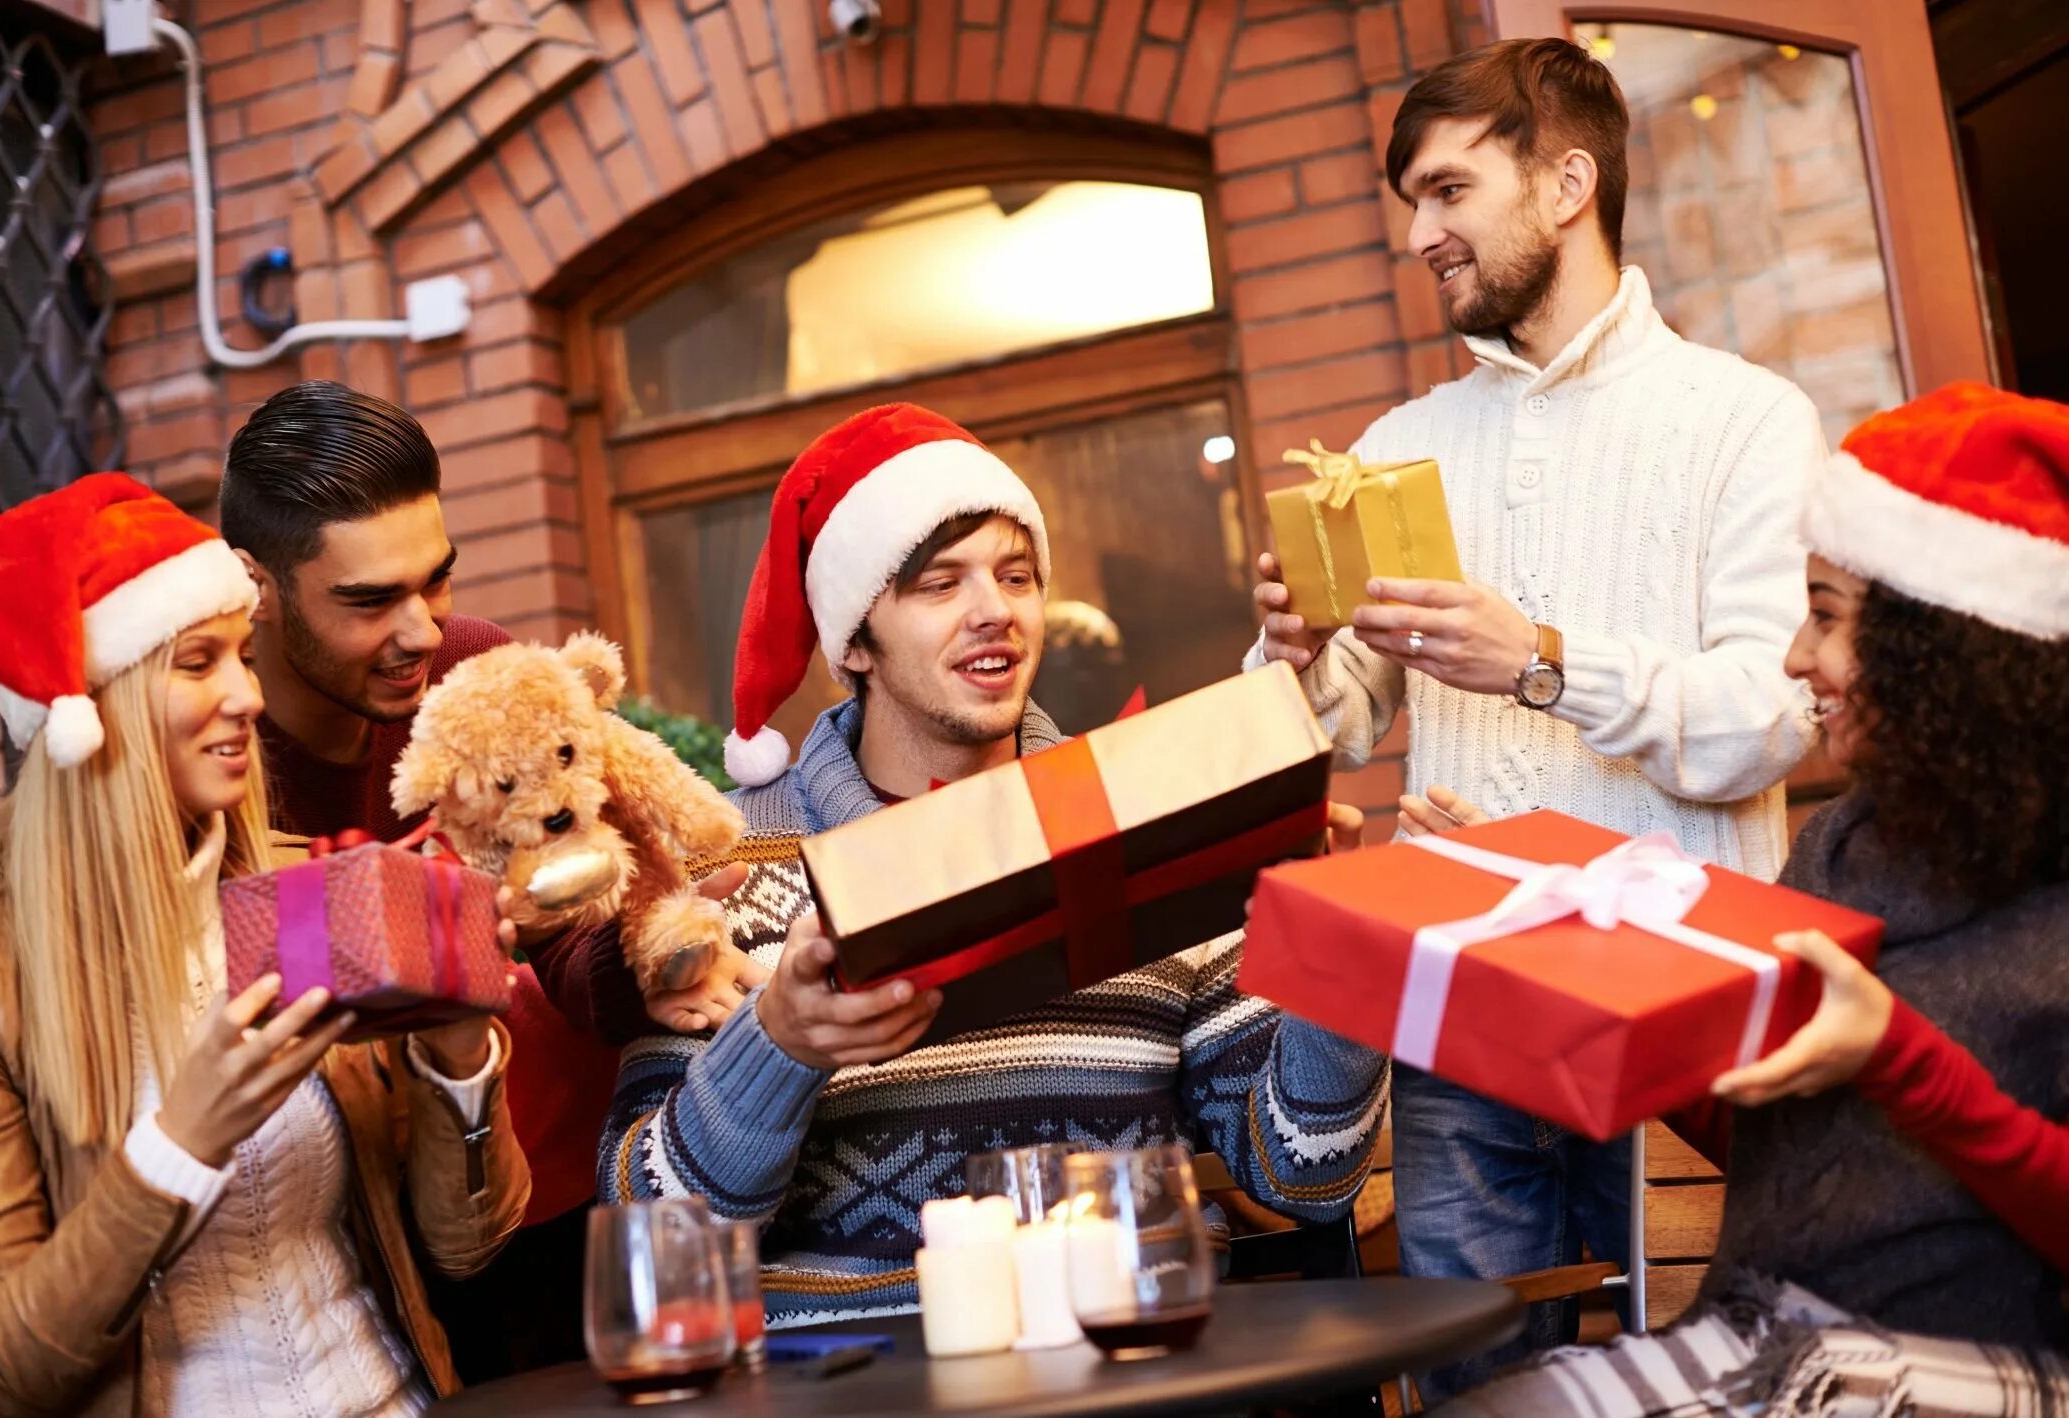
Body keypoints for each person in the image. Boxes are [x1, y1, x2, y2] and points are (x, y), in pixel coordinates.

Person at [1248, 37, 1821, 1388]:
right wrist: (1291, 653)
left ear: (1569, 182)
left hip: (1702, 1022)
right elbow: (1327, 732)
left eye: (1448, 190)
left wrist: (1542, 661)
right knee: (1477, 1384)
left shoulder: (1745, 420)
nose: (1417, 232)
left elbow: (1776, 713)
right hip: (1469, 1016)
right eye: (1411, 198)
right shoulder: (1397, 447)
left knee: (1726, 1379)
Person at [597, 403, 1389, 1323]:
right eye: (941, 585)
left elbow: (1306, 1172)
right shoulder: (725, 870)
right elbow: (651, 1225)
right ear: (853, 639)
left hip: (1136, 1370)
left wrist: (1338, 953)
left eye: (1017, 577)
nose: (994, 613)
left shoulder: (1146, 817)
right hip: (855, 1386)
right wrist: (780, 1042)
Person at [1412, 383, 2069, 1415]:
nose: (1799, 658)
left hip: (1973, 1365)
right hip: (1769, 1332)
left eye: (1829, 617)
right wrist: (1551, 943)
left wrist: (1900, 1056)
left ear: (1947, 653)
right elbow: (1786, 1144)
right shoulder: (1840, 847)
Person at [0, 475, 527, 1415]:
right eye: (195, 662)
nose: (246, 697)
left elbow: (466, 1246)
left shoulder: (303, 894)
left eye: (243, 658)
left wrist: (458, 1051)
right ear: (92, 709)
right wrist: (180, 1144)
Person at [215, 381, 755, 1379]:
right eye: (371, 600)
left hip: (563, 1197)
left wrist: (651, 961)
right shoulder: (219, 759)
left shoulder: (473, 676)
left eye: (437, 579)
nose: (420, 629)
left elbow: (573, 948)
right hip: (358, 1244)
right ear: (256, 586)